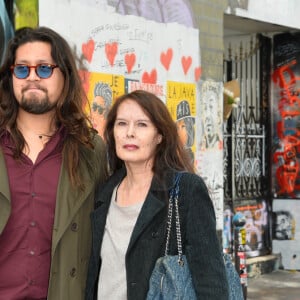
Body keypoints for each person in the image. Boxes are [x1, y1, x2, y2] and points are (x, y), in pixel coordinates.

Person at [85, 90, 229, 299]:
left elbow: (211, 281)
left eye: (142, 124)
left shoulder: (186, 191)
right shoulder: (104, 193)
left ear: (159, 135)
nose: (130, 133)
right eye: (122, 123)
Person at [0, 27, 108, 300]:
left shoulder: (89, 150)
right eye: (22, 69)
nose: (32, 77)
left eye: (44, 69)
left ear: (65, 76)